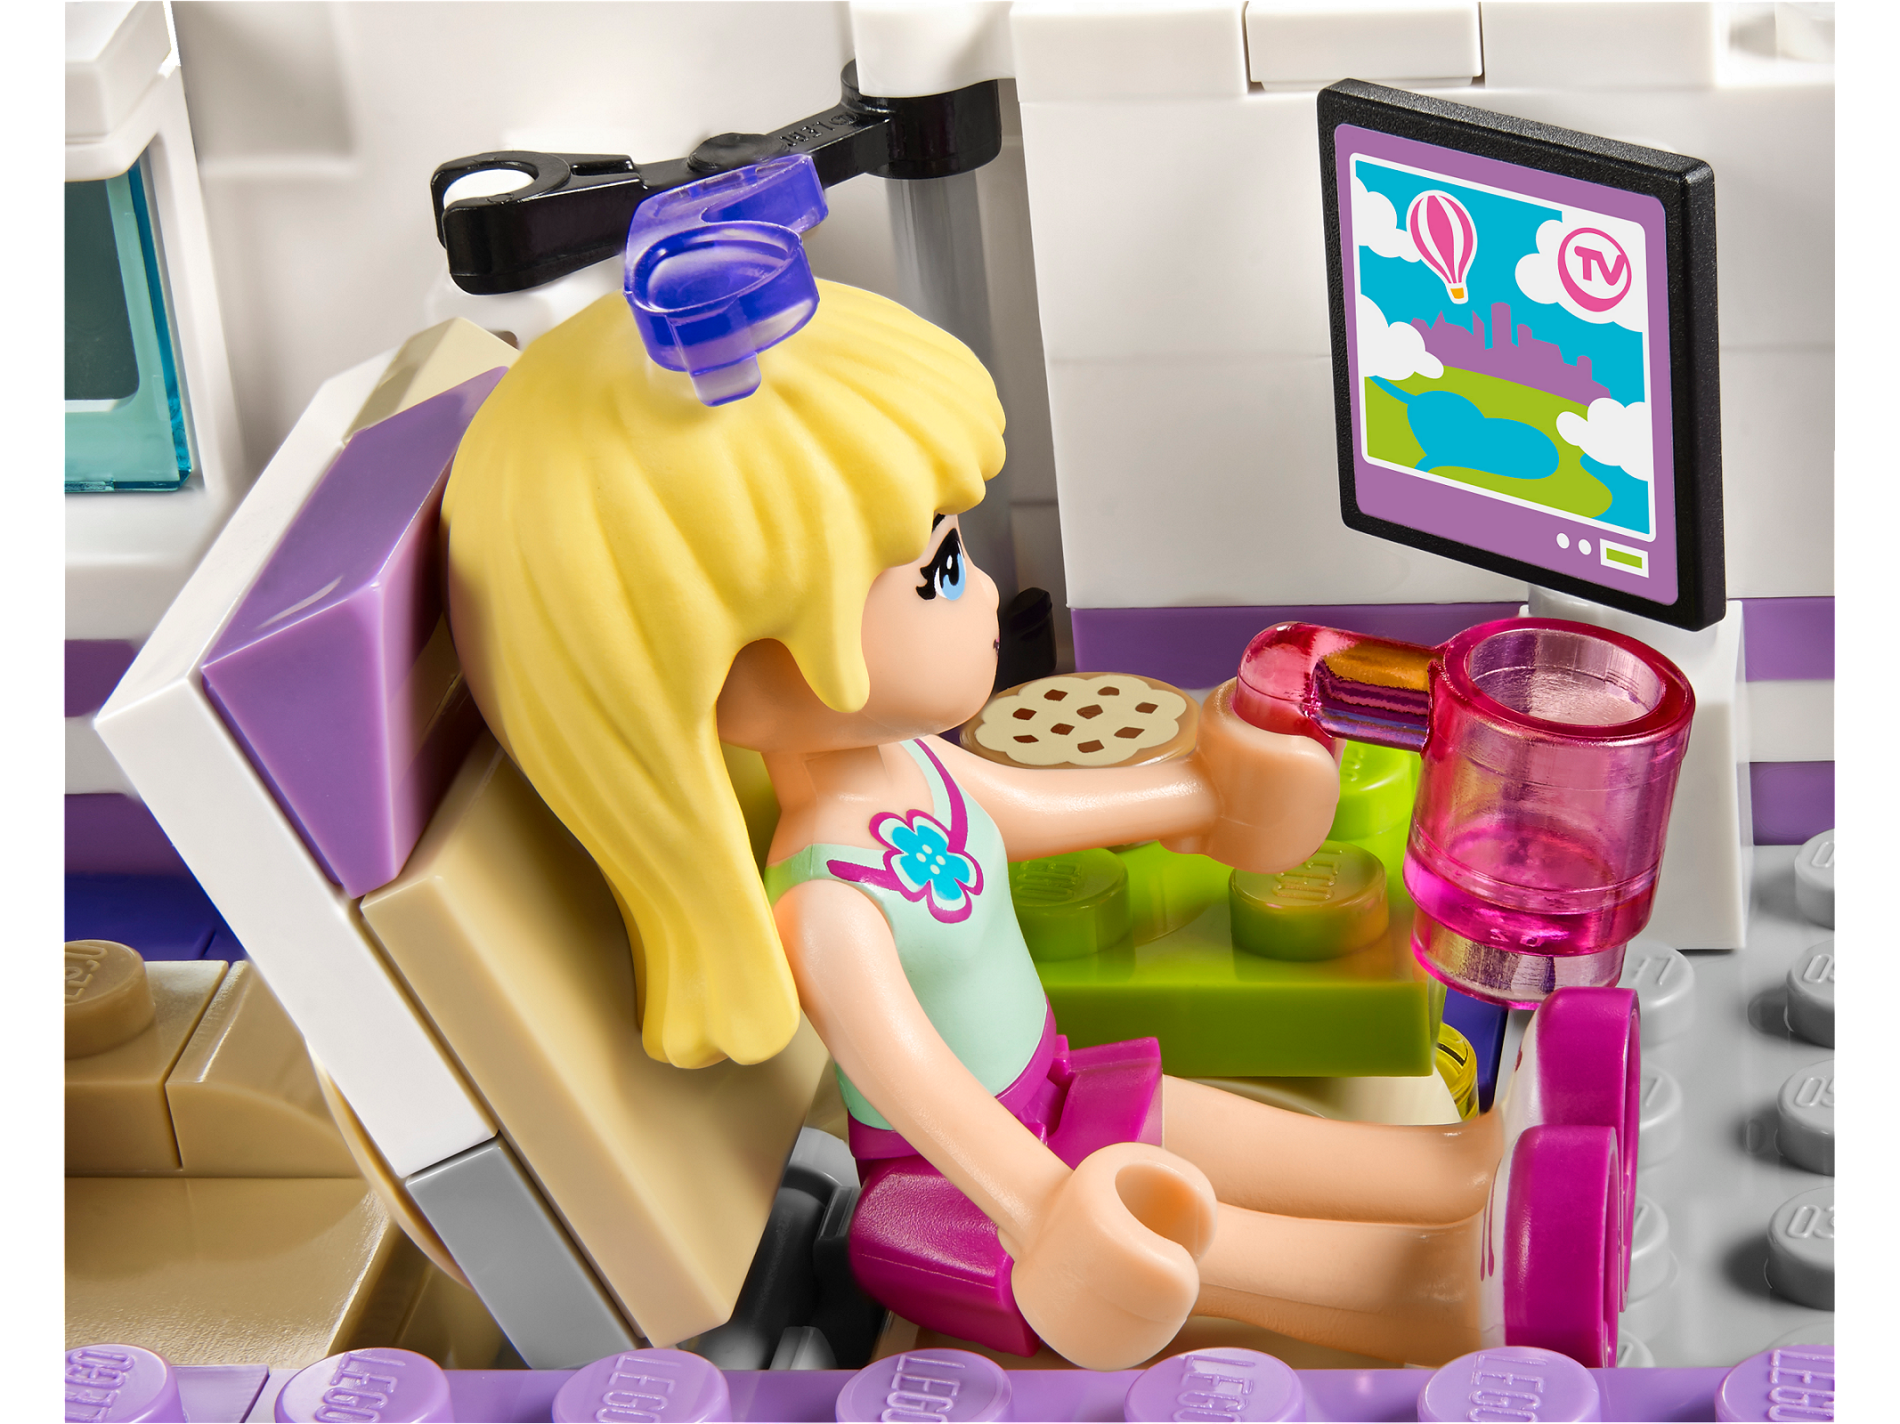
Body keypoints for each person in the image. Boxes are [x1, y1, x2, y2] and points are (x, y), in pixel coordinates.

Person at [443, 278, 1510, 1370]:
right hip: (960, 1200)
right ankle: (1426, 1294)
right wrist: (1041, 1204)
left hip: (1050, 1093)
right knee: (1190, 1223)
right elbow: (920, 1088)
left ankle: (1448, 1170)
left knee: (1190, 1117)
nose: (987, 591)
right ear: (735, 665)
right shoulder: (826, 902)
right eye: (940, 571)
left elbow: (1043, 808)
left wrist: (1201, 798)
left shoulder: (909, 764)